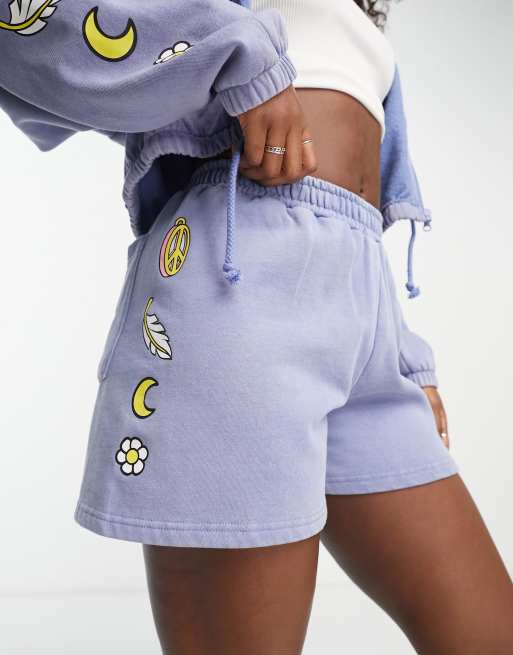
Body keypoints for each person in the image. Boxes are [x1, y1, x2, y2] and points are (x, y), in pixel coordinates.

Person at [1, 0, 512, 653]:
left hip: (364, 324)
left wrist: (403, 353)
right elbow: (25, 22)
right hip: (237, 289)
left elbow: (356, 207)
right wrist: (239, 56)